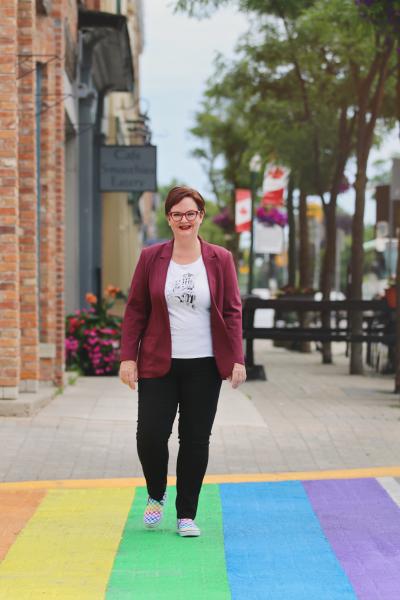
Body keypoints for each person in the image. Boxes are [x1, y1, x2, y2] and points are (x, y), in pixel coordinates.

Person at [119, 186, 246, 537]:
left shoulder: (220, 259)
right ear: (168, 218)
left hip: (205, 364)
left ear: (201, 216)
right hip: (159, 362)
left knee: (194, 439)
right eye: (177, 214)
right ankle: (156, 495)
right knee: (150, 435)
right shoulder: (152, 257)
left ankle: (186, 514)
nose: (184, 220)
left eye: (191, 213)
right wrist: (128, 356)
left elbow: (233, 311)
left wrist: (236, 357)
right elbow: (136, 310)